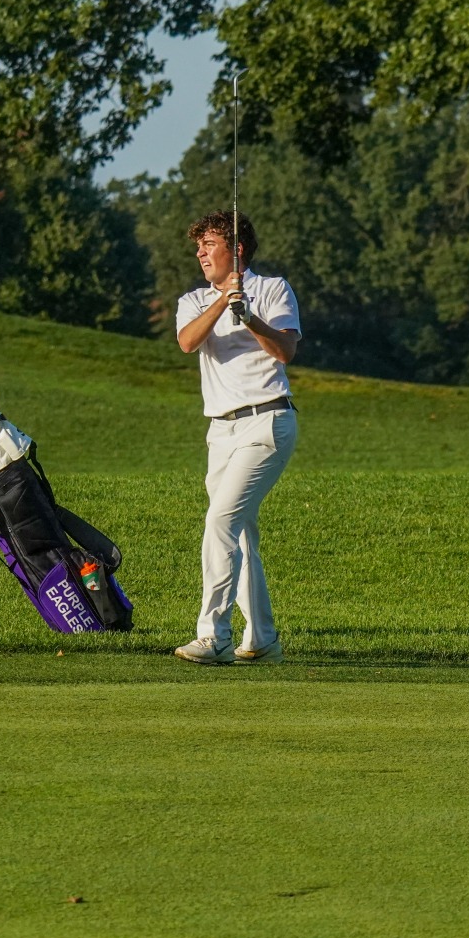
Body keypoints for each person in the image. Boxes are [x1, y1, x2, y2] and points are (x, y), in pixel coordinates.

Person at [172, 211, 301, 665]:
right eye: (200, 246)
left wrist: (249, 318)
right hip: (220, 431)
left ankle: (214, 636)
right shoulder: (193, 300)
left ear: (237, 249)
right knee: (241, 535)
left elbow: (285, 350)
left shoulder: (272, 289)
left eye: (209, 244)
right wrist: (223, 301)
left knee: (220, 523)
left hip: (266, 423)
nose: (200, 253)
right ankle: (262, 638)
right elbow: (188, 342)